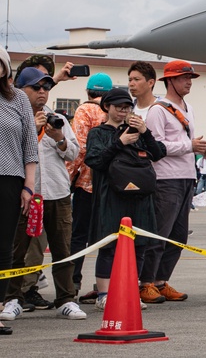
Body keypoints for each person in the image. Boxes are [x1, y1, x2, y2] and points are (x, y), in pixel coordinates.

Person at [2, 68, 82, 321]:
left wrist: (59, 138)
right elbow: (16, 150)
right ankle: (12, 299)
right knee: (17, 249)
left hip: (57, 192)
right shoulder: (14, 117)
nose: (42, 92)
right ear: (19, 89)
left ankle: (66, 300)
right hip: (26, 193)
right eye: (36, 88)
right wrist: (33, 130)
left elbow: (74, 153)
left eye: (46, 88)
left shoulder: (57, 118)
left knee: (62, 249)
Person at [84, 88, 167, 312]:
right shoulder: (98, 133)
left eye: (127, 107)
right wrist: (119, 142)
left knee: (139, 246)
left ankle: (131, 292)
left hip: (140, 197)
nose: (123, 111)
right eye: (119, 107)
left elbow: (159, 153)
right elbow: (94, 160)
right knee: (109, 247)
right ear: (107, 108)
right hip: (111, 197)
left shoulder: (137, 131)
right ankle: (104, 294)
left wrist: (145, 132)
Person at [139, 60, 206, 304]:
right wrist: (189, 146)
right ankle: (146, 282)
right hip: (165, 179)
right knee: (160, 233)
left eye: (190, 77)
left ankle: (161, 281)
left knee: (179, 235)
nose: (189, 82)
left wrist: (197, 148)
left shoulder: (188, 107)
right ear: (169, 80)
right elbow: (155, 146)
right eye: (184, 77)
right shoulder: (158, 110)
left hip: (186, 177)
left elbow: (182, 143)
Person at [0, 60, 39, 330]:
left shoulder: (18, 99)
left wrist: (29, 185)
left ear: (5, 68)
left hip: (10, 179)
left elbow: (30, 146)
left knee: (3, 246)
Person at [68, 72, 112, 303]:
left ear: (88, 92)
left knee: (79, 236)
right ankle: (103, 285)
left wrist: (68, 177)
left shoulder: (84, 110)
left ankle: (72, 282)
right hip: (112, 186)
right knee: (106, 237)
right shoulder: (114, 110)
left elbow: (79, 148)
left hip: (86, 183)